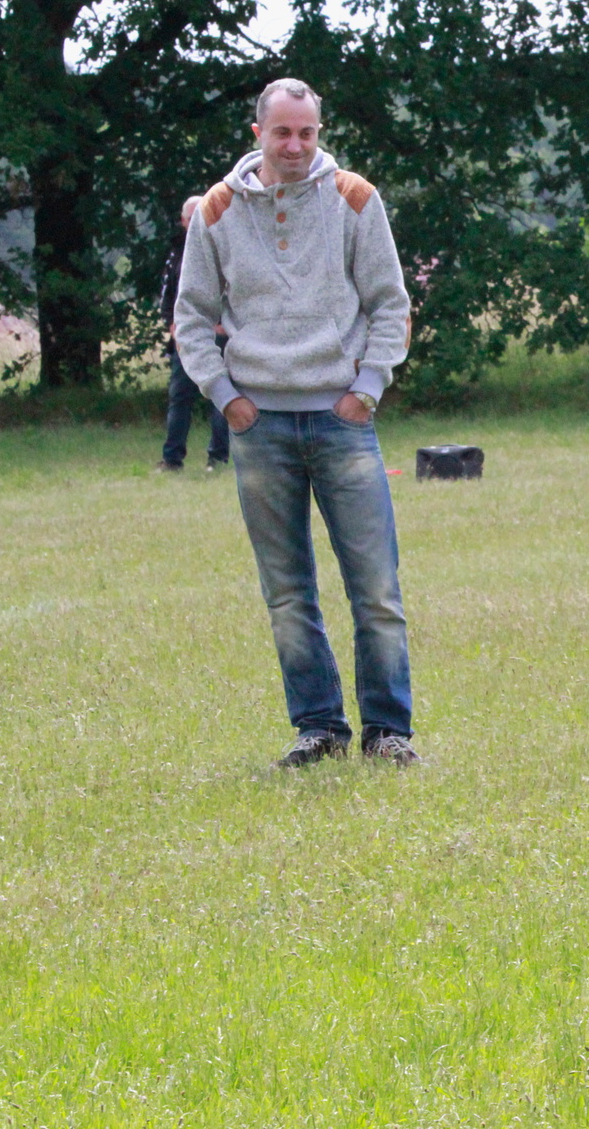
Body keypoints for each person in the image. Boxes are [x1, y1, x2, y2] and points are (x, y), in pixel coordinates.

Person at [174, 78, 420, 770]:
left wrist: (367, 388)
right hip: (259, 426)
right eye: (282, 132)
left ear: (318, 133)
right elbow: (191, 317)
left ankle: (388, 732)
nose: (295, 145)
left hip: (343, 420)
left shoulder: (354, 198)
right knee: (286, 593)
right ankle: (319, 728)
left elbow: (390, 303)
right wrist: (226, 397)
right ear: (258, 133)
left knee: (375, 587)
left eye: (306, 133)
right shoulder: (218, 210)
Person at [154, 194, 230, 473]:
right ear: (184, 221)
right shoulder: (177, 255)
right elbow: (167, 296)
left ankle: (218, 459)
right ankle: (171, 459)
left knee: (221, 395)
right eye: (192, 217)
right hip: (186, 339)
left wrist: (225, 326)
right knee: (180, 397)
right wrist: (173, 325)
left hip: (220, 337)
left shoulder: (226, 248)